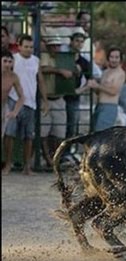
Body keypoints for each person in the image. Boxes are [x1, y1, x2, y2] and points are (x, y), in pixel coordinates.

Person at [3, 34, 49, 175]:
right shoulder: (14, 59)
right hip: (13, 99)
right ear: (19, 46)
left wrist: (45, 101)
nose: (29, 49)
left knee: (29, 136)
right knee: (9, 134)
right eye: (26, 46)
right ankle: (8, 164)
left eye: (31, 47)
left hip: (30, 102)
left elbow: (40, 80)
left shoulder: (35, 60)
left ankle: (27, 166)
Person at [40, 36, 76, 169]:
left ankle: (55, 159)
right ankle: (49, 160)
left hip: (59, 99)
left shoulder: (65, 58)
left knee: (59, 132)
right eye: (52, 45)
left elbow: (74, 70)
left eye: (57, 45)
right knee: (43, 132)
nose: (55, 48)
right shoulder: (44, 56)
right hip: (46, 98)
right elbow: (42, 69)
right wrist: (59, 71)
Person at [87, 46, 126, 132]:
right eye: (112, 57)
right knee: (92, 133)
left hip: (109, 107)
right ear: (108, 58)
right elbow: (99, 91)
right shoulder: (105, 72)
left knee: (101, 134)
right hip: (99, 106)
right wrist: (93, 86)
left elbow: (114, 91)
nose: (114, 60)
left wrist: (97, 86)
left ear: (120, 59)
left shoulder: (120, 73)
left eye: (116, 57)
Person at [64, 28, 92, 139]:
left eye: (81, 41)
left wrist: (80, 90)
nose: (79, 44)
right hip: (59, 97)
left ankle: (68, 152)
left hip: (73, 98)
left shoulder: (84, 62)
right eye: (77, 41)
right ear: (71, 41)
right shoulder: (63, 58)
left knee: (72, 126)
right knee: (57, 128)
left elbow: (91, 81)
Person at [2, 48, 25, 140]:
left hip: (3, 107)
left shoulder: (13, 77)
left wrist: (15, 111)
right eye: (5, 61)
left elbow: (21, 97)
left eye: (10, 62)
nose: (7, 64)